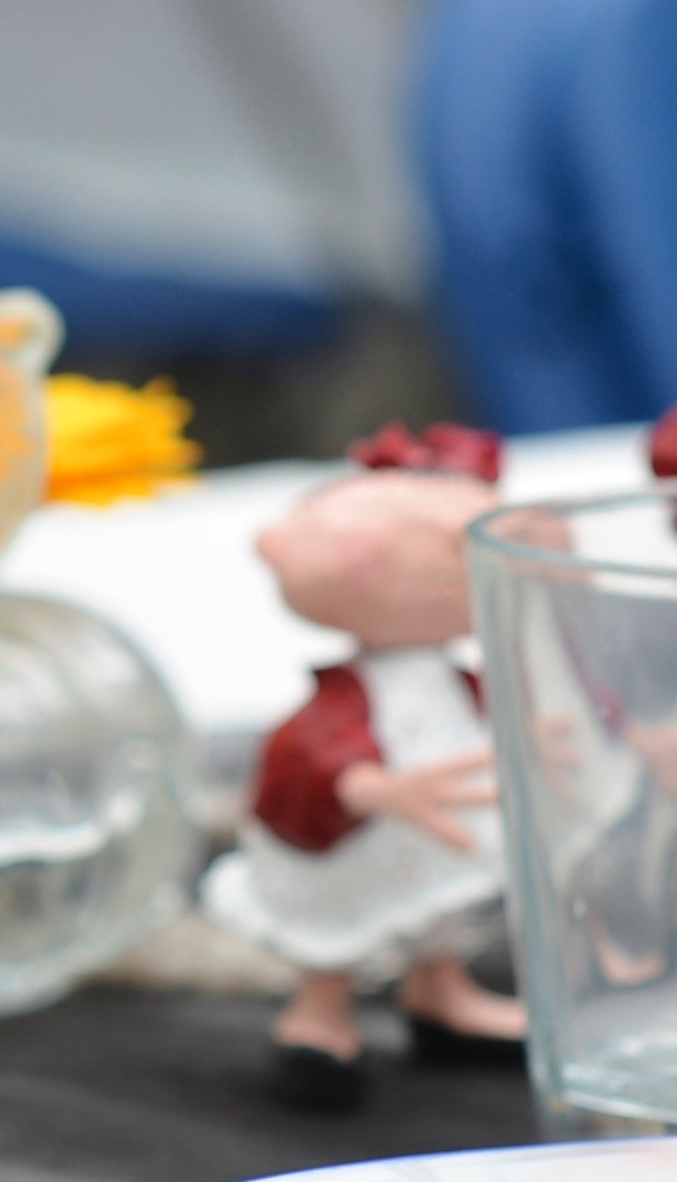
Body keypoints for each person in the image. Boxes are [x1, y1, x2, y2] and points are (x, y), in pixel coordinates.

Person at [203, 425, 524, 1111]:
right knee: (341, 927)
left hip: (445, 838)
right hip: (357, 844)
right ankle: (320, 1013)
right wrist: (377, 788)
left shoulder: (457, 679)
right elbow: (310, 753)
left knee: (442, 915)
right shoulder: (345, 700)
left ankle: (440, 991)